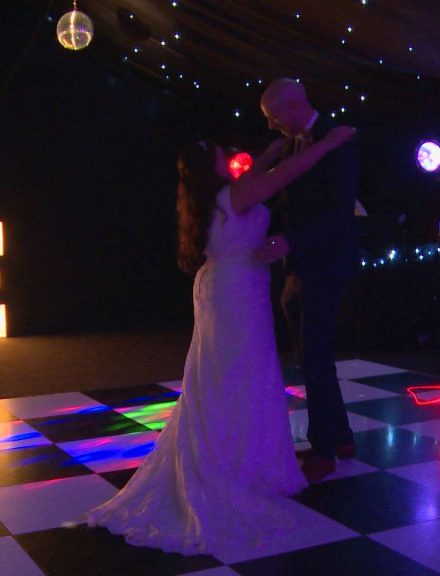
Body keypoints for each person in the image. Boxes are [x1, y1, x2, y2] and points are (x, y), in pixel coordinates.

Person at [85, 125, 356, 555]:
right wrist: (325, 144)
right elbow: (283, 178)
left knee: (222, 377)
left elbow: (261, 177)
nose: (226, 156)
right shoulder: (233, 196)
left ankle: (231, 454)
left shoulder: (211, 198)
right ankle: (239, 464)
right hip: (236, 294)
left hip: (224, 288)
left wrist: (270, 152)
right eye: (218, 154)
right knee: (239, 376)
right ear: (211, 166)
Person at [255, 79, 360, 482]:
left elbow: (338, 212)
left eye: (274, 116)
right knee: (313, 355)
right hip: (302, 264)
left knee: (313, 355)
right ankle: (341, 436)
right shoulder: (297, 144)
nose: (271, 125)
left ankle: (324, 449)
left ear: (295, 105)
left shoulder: (338, 140)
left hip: (326, 263)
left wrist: (291, 239)